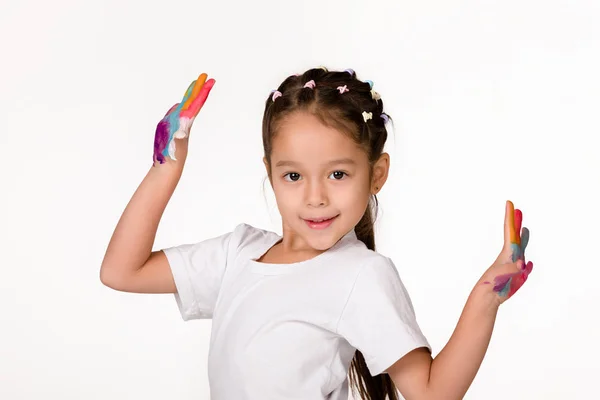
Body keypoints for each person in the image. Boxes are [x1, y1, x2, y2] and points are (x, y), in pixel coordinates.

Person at [100, 67, 534, 400]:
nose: (315, 197)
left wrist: (486, 297)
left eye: (338, 174)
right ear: (269, 172)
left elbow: (431, 392)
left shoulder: (360, 275)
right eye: (293, 176)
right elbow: (122, 271)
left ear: (377, 173)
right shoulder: (238, 254)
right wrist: (166, 166)